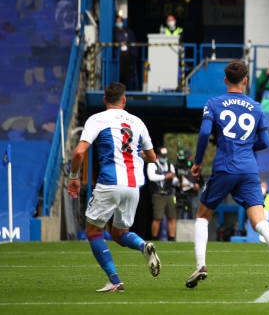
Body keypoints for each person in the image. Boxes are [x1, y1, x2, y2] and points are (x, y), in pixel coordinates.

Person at [185, 60, 269, 291]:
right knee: (259, 221)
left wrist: (198, 161)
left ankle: (201, 265)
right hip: (249, 168)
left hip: (224, 166)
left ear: (225, 80)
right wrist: (246, 145)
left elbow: (204, 133)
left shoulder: (214, 103)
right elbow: (264, 141)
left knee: (203, 216)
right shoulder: (256, 106)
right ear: (245, 81)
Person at [66, 82, 161, 292]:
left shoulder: (97, 119)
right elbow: (152, 157)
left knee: (93, 231)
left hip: (110, 182)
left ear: (104, 100)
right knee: (119, 233)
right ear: (124, 100)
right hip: (133, 185)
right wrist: (137, 154)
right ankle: (143, 246)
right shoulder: (137, 122)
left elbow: (79, 152)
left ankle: (115, 280)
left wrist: (73, 176)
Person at [147, 146, 179, 241]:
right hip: (158, 194)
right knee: (158, 218)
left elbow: (174, 181)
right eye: (162, 156)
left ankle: (171, 238)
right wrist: (165, 176)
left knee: (172, 217)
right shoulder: (152, 165)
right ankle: (155, 238)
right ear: (158, 156)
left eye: (165, 156)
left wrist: (177, 179)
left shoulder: (170, 166)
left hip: (169, 194)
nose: (164, 158)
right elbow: (151, 177)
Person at [175, 149, 203, 219]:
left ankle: (193, 227)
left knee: (193, 210)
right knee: (179, 213)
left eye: (188, 158)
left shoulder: (194, 167)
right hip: (180, 194)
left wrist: (198, 185)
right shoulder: (177, 166)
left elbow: (201, 181)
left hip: (192, 194)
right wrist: (179, 184)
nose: (187, 160)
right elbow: (173, 179)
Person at [113, 15, 138, 90]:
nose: (119, 23)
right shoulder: (113, 32)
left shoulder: (127, 32)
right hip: (119, 55)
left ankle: (126, 88)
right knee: (120, 72)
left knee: (127, 71)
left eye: (120, 21)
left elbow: (132, 43)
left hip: (127, 54)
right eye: (117, 22)